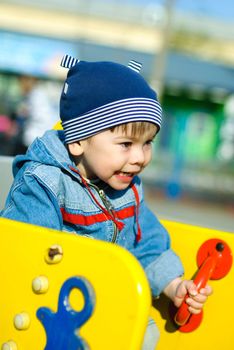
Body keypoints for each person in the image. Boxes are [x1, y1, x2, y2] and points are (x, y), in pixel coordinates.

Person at [0, 55, 212, 349]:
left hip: (104, 298)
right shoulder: (44, 182)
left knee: (146, 331)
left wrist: (174, 286)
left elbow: (146, 243)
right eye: (126, 144)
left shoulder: (127, 188)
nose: (139, 157)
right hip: (51, 310)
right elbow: (26, 253)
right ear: (78, 141)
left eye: (147, 143)